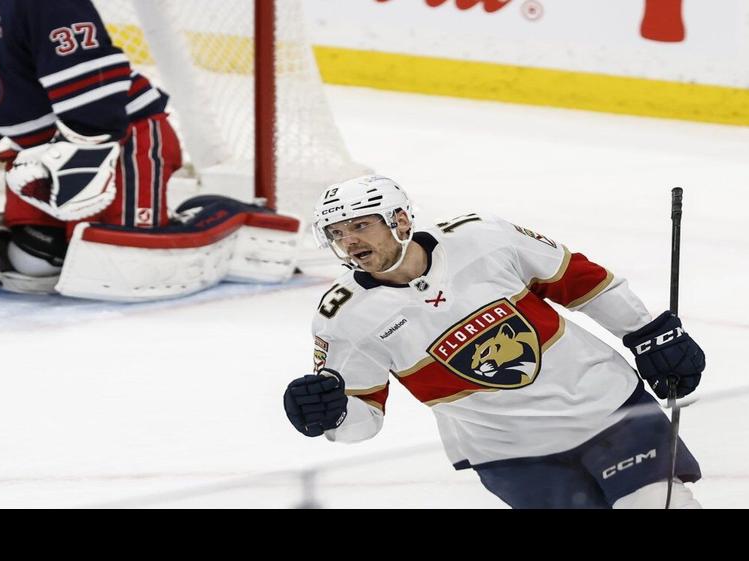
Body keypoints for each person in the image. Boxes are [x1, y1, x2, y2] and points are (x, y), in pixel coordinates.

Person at [283, 175, 707, 509]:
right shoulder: (343, 318)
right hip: (512, 454)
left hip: (607, 408)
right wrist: (333, 415)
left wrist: (646, 333)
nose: (349, 241)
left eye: (360, 225)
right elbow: (363, 419)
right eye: (337, 233)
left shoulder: (482, 237)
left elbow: (579, 280)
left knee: (657, 503)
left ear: (401, 220)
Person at [0, 0, 182, 283]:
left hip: (120, 141)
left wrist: (85, 155)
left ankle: (163, 222)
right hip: (40, 157)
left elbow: (90, 82)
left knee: (122, 258)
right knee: (33, 260)